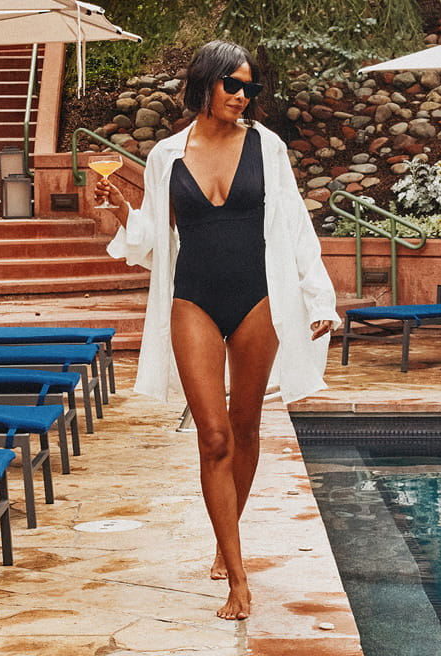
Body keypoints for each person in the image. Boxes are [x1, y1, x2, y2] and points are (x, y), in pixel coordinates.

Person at [94, 40, 338, 620]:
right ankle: (238, 574)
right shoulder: (166, 155)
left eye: (251, 87)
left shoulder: (267, 146)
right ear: (204, 83)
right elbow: (155, 238)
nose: (243, 96)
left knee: (245, 427)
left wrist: (318, 296)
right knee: (214, 437)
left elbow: (295, 225)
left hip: (259, 299)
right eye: (234, 85)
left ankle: (224, 542)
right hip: (193, 300)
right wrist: (122, 210)